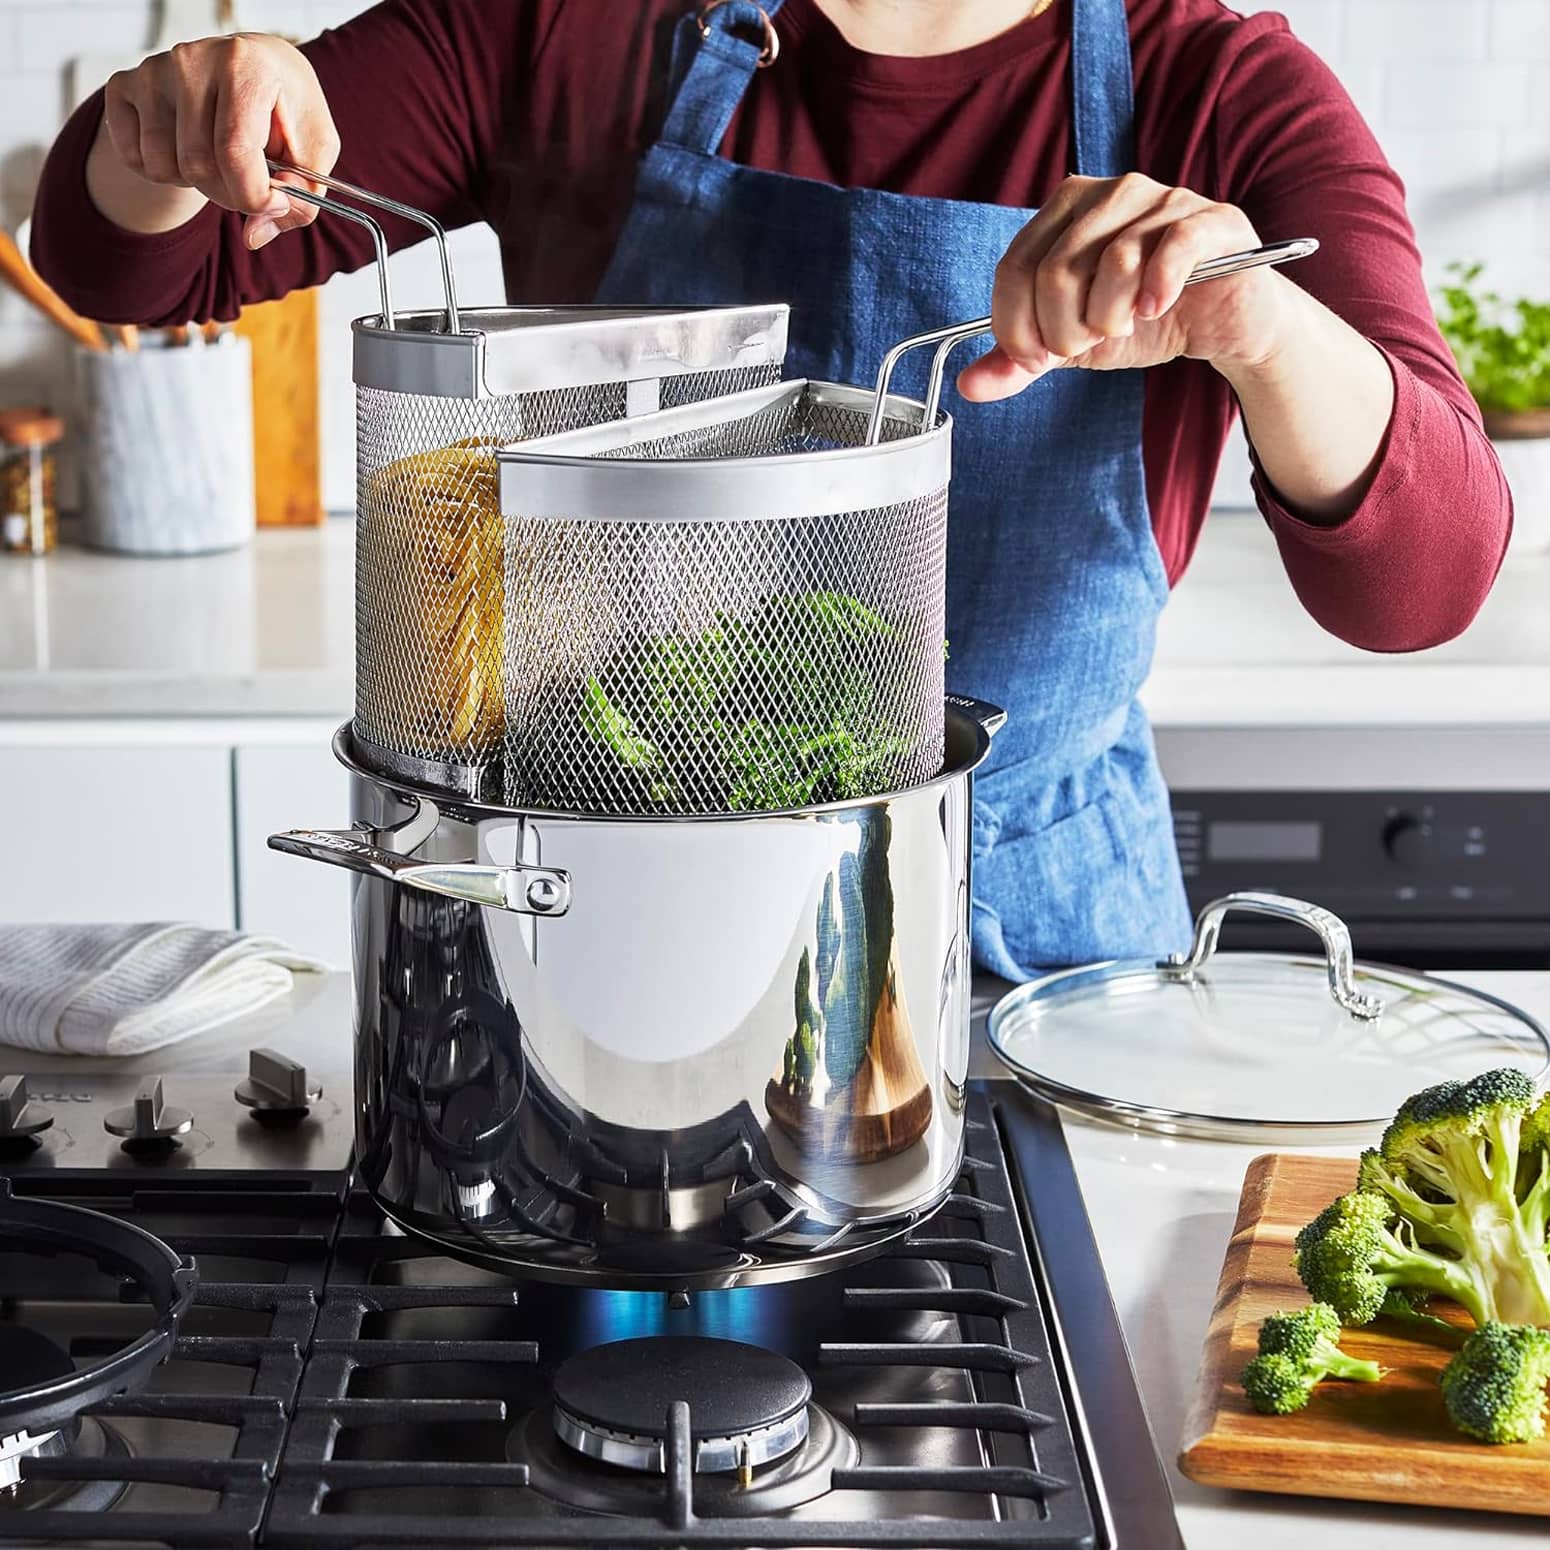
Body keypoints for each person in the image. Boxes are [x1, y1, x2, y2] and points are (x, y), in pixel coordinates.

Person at [32, 0, 1512, 980]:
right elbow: (130, 257)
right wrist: (184, 126)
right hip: (594, 939)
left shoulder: (1215, 87)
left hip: (1030, 982)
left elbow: (1426, 577)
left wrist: (1260, 326)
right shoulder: (573, 27)